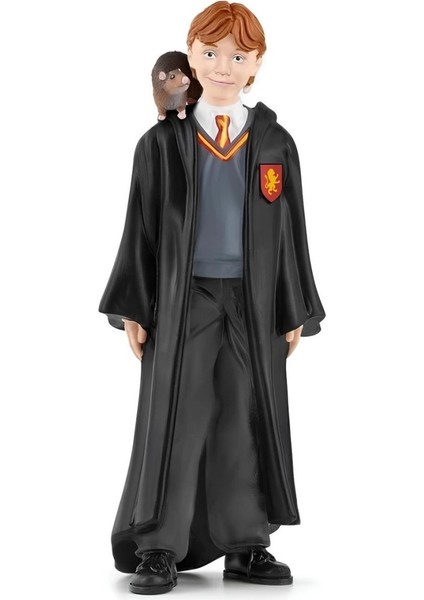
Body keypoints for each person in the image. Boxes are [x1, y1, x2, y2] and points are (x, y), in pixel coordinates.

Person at [98, 1, 326, 595]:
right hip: (184, 298)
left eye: (239, 56)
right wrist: (135, 304)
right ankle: (159, 546)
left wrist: (293, 304)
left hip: (253, 299)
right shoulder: (161, 143)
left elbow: (293, 230)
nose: (224, 66)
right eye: (211, 53)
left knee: (246, 416)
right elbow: (140, 226)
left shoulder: (274, 143)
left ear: (257, 64)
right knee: (178, 413)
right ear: (192, 58)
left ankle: (245, 543)